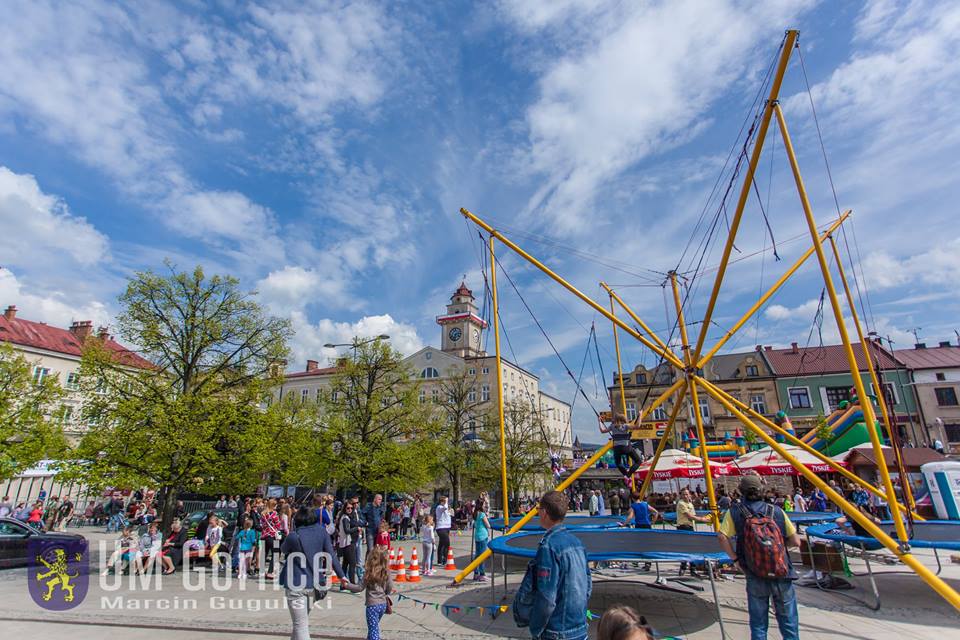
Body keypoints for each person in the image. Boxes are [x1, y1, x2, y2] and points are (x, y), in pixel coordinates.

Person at [718, 475, 800, 640]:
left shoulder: (735, 512)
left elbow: (721, 536)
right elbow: (796, 541)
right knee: (789, 622)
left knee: (758, 624)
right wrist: (779, 549)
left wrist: (735, 560)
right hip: (781, 570)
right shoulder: (775, 511)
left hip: (755, 570)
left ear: (741, 491)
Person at [513, 491, 591, 640]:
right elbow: (587, 585)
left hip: (557, 631)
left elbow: (546, 597)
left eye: (538, 510)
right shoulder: (577, 543)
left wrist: (536, 628)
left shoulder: (548, 547)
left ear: (545, 512)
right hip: (579, 626)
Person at [280, 506, 352, 640]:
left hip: (296, 584)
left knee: (300, 625)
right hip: (315, 584)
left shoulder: (293, 536)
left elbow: (283, 549)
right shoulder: (321, 532)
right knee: (301, 621)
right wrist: (342, 576)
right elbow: (331, 555)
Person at [353, 546, 395, 640]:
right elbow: (390, 586)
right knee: (373, 628)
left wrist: (346, 585)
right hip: (383, 605)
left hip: (372, 606)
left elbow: (359, 588)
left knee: (373, 631)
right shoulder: (386, 571)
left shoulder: (369, 572)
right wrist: (385, 593)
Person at [676, 488, 711, 577]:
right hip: (683, 527)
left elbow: (694, 515)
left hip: (690, 527)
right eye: (683, 494)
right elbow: (689, 516)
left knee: (692, 548)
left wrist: (704, 517)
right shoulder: (681, 503)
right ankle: (684, 567)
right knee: (684, 549)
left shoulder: (690, 504)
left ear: (690, 495)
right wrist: (702, 519)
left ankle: (692, 568)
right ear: (681, 495)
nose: (685, 496)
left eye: (687, 494)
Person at [599, 412, 643, 478]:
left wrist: (599, 421)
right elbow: (637, 426)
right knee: (638, 461)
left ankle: (625, 474)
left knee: (618, 463)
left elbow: (602, 430)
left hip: (617, 449)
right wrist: (640, 415)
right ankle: (629, 473)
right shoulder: (625, 426)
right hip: (626, 448)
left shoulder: (612, 426)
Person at [337, 501, 361, 583]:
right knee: (352, 564)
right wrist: (356, 528)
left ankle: (343, 585)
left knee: (345, 564)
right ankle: (352, 584)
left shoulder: (344, 517)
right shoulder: (345, 518)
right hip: (348, 543)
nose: (350, 509)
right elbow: (347, 530)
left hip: (345, 544)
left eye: (351, 508)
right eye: (348, 508)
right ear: (345, 508)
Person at [261, 498, 282, 580]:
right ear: (273, 505)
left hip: (264, 535)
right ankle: (270, 572)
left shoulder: (263, 514)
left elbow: (262, 525)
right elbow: (278, 526)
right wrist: (279, 535)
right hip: (272, 535)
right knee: (276, 553)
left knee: (265, 553)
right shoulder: (274, 514)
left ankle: (262, 572)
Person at [473, 502, 491, 582]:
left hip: (477, 536)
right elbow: (488, 525)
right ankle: (482, 574)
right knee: (482, 556)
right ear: (481, 506)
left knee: (477, 555)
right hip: (483, 536)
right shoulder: (482, 514)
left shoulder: (475, 514)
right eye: (484, 505)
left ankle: (476, 573)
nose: (485, 506)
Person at [435, 496, 452, 568]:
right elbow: (444, 508)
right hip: (441, 528)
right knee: (447, 543)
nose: (446, 503)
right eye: (445, 502)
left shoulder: (445, 508)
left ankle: (439, 560)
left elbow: (448, 515)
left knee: (441, 544)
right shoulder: (439, 507)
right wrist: (446, 501)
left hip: (447, 527)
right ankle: (444, 560)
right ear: (442, 502)